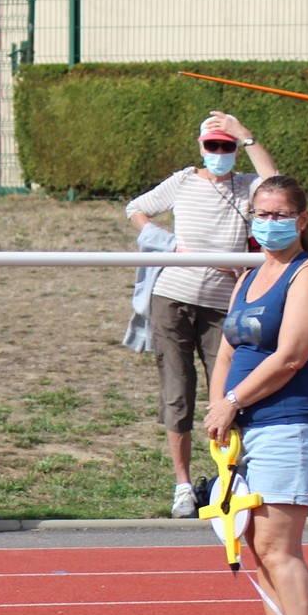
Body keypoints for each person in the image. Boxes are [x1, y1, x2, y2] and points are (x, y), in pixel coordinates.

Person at [203, 176, 308, 615]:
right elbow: (227, 351)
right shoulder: (250, 277)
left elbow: (291, 357)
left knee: (280, 547)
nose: (268, 222)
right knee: (257, 545)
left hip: (289, 425)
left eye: (279, 214)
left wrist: (234, 401)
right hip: (246, 428)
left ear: (301, 219)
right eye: (261, 213)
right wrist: (218, 407)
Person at [125, 111, 278, 518]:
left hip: (224, 305)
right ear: (200, 146)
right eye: (213, 145)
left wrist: (245, 134)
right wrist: (167, 243)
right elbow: (136, 210)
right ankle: (183, 485)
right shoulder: (184, 180)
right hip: (172, 299)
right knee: (177, 393)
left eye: (227, 146)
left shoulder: (247, 186)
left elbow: (277, 184)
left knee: (228, 394)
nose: (219, 152)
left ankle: (228, 479)